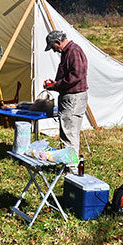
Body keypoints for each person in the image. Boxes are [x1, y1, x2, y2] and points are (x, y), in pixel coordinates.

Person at [43, 30, 88, 174]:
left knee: (69, 133)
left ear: (58, 42)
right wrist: (56, 84)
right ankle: (68, 165)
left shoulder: (74, 51)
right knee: (69, 132)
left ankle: (71, 169)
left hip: (73, 98)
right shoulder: (68, 52)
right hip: (70, 96)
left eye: (54, 47)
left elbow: (76, 76)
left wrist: (55, 85)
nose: (54, 50)